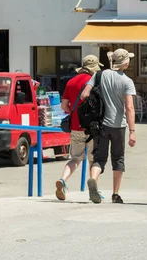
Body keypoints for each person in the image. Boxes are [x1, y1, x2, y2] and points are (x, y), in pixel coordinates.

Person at [80, 48, 137, 204]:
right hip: (119, 126)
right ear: (125, 62)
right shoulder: (127, 81)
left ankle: (93, 179)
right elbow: (129, 108)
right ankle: (115, 194)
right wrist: (132, 131)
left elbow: (84, 95)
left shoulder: (99, 75)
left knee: (99, 158)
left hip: (101, 124)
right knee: (118, 159)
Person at [55, 55, 103, 200]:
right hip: (93, 127)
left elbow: (64, 105)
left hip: (76, 127)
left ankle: (62, 181)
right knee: (94, 160)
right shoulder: (95, 82)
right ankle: (93, 189)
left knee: (75, 158)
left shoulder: (71, 82)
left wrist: (74, 113)